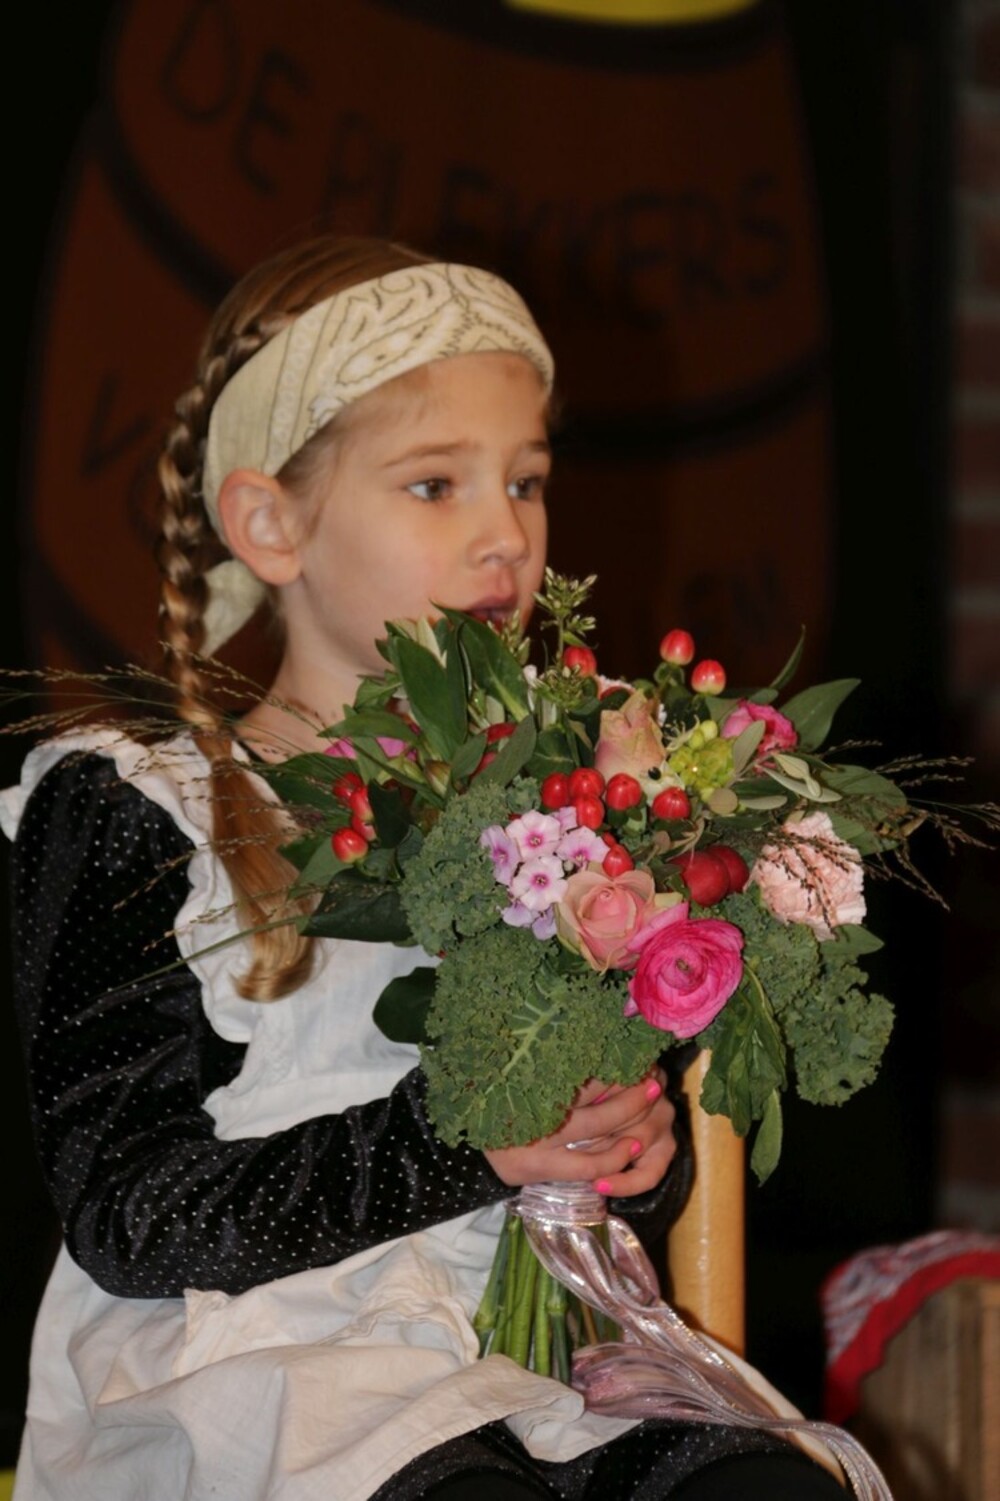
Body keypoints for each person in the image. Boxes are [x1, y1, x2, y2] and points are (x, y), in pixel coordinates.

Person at [3, 236, 847, 1499]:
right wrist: (470, 1143)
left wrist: (624, 1152)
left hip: (538, 1357)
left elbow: (599, 1179)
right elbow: (133, 1215)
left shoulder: (560, 800)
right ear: (270, 523)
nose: (505, 534)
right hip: (257, 1368)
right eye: (434, 484)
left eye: (527, 480)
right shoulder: (138, 807)